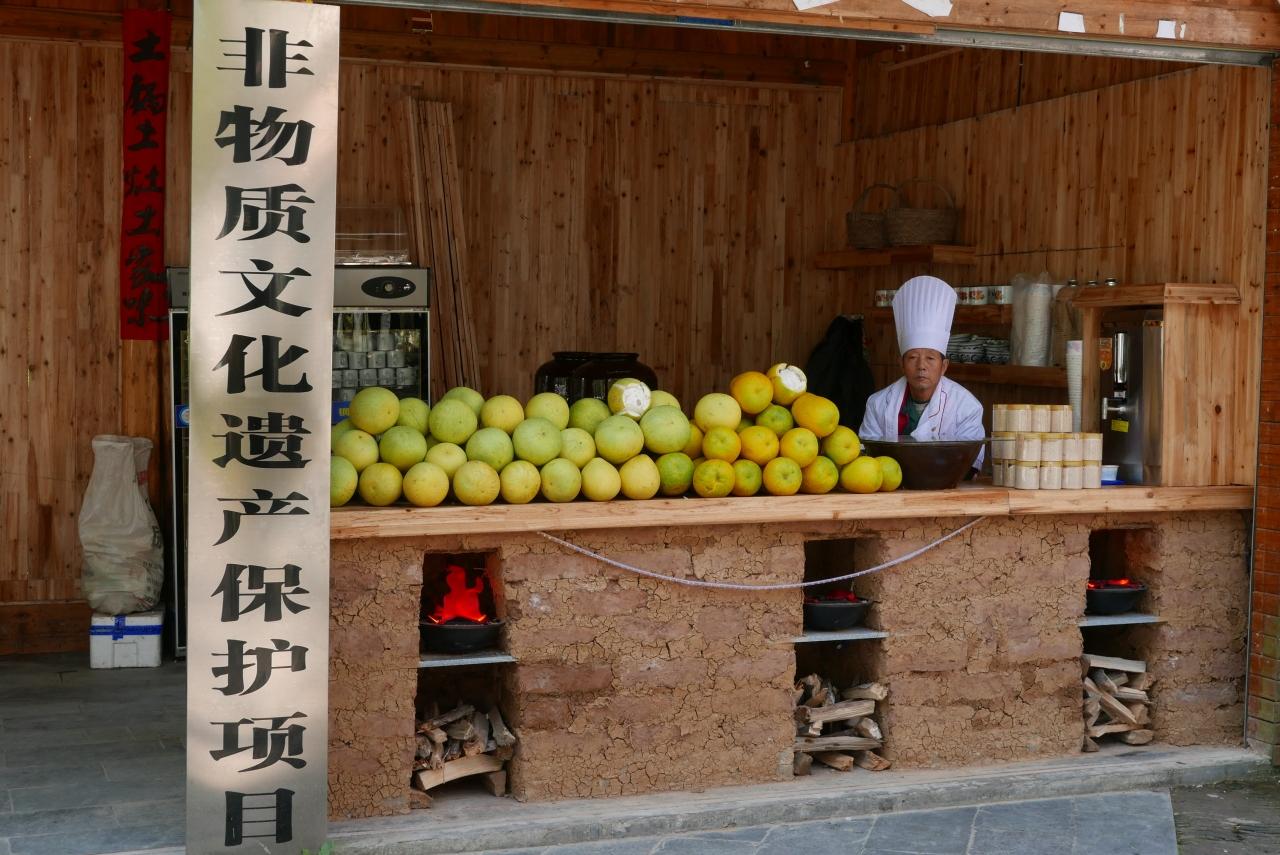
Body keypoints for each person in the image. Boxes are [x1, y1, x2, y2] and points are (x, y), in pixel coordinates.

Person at [858, 275, 985, 471]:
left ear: (944, 366)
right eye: (912, 357)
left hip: (948, 487)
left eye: (930, 358)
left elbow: (971, 463)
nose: (921, 366)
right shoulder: (878, 404)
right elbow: (867, 457)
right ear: (901, 364)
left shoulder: (967, 406)